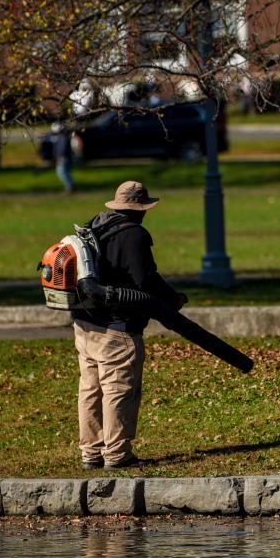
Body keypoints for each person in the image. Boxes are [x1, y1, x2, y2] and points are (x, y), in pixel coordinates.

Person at [71, 180, 187, 470]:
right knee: (118, 389)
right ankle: (117, 454)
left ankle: (91, 453)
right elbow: (145, 280)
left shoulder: (95, 226)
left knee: (90, 389)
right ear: (140, 209)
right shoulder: (134, 235)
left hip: (85, 324)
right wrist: (172, 299)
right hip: (117, 329)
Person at [51, 122, 75, 194]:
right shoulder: (62, 136)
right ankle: (70, 187)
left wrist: (60, 157)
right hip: (65, 158)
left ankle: (70, 187)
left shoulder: (63, 137)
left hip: (63, 158)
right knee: (65, 173)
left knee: (62, 172)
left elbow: (62, 148)